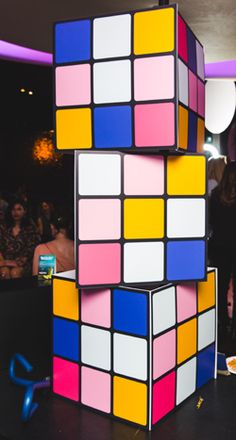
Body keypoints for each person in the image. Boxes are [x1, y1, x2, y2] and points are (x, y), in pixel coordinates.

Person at [209, 162, 236, 334]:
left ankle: (222, 321)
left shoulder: (215, 194)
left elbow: (211, 221)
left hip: (219, 246)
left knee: (221, 286)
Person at [0, 200, 40, 279]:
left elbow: (29, 252)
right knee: (4, 272)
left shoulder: (30, 229)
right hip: (5, 262)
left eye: (19, 209)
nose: (15, 212)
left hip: (24, 263)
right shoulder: (4, 228)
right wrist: (4, 262)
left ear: (24, 211)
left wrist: (8, 262)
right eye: (13, 209)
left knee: (15, 273)